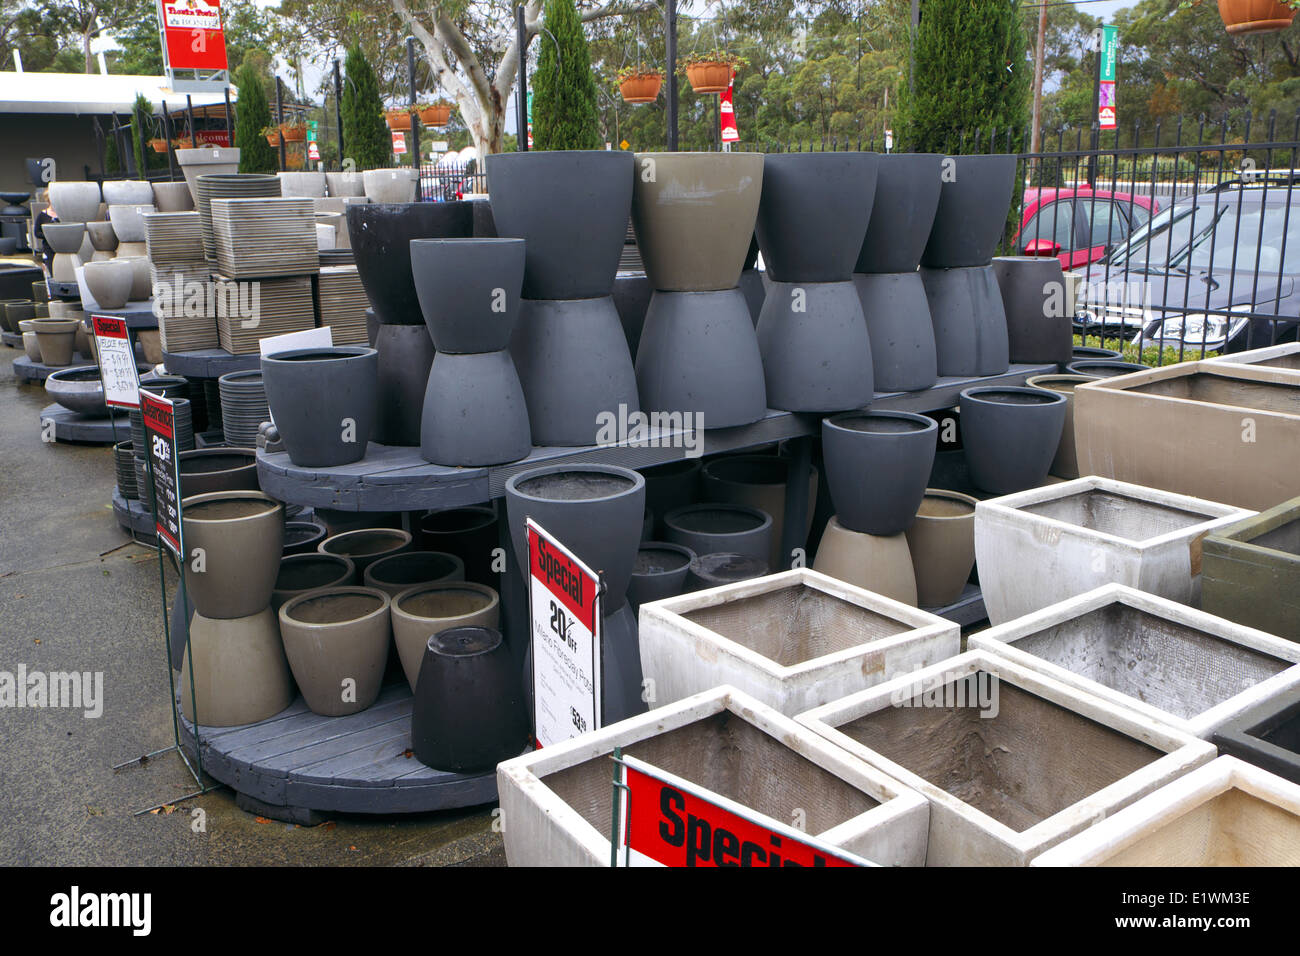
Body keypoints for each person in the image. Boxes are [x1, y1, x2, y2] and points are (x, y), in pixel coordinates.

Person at [33, 189, 56, 274]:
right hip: (48, 247)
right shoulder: (42, 215)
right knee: (51, 269)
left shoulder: (62, 214)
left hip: (61, 246)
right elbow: (37, 232)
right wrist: (48, 235)